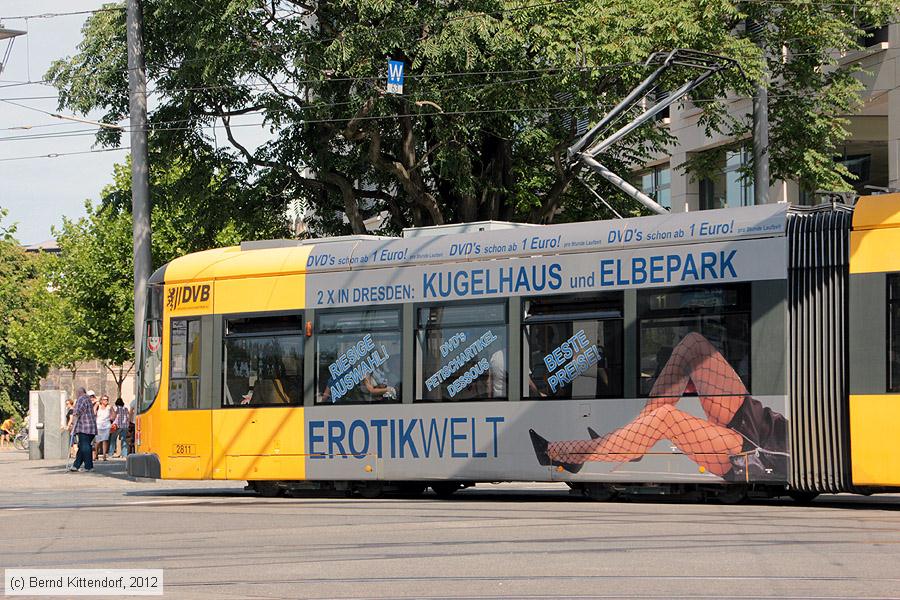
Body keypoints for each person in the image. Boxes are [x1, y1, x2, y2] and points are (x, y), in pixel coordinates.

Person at [529, 332, 788, 482]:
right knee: (693, 344)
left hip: (754, 452)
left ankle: (559, 451)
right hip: (760, 420)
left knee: (665, 418)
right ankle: (633, 442)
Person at [67, 387, 97, 472]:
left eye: (77, 393)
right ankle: (76, 465)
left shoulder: (81, 399)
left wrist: (72, 425)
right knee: (83, 446)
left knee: (85, 446)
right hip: (92, 427)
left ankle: (89, 466)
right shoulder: (88, 399)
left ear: (79, 392)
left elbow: (77, 412)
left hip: (84, 427)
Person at [94, 395, 112, 461]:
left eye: (107, 399)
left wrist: (112, 417)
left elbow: (113, 415)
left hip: (107, 426)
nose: (106, 401)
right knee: (98, 441)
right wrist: (96, 405)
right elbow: (93, 412)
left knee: (105, 440)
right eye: (104, 399)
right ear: (101, 400)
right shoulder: (98, 407)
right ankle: (96, 454)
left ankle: (104, 456)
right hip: (99, 426)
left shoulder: (109, 407)